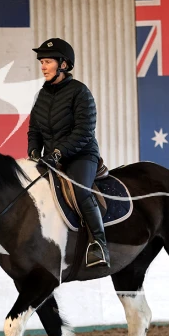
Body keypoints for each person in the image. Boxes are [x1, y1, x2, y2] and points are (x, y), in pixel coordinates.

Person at [27, 38, 109, 268]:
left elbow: (84, 131)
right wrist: (34, 150)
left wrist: (58, 153)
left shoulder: (80, 92)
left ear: (63, 64)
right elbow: (34, 130)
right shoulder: (41, 96)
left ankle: (99, 244)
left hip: (81, 155)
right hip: (51, 158)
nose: (43, 67)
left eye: (48, 62)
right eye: (41, 62)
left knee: (80, 191)